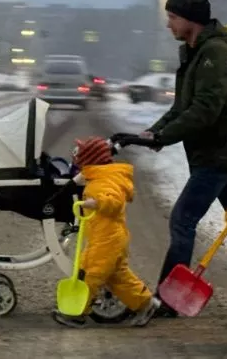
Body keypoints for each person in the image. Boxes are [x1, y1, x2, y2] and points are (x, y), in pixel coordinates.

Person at [138, 0, 227, 317]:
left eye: (172, 17)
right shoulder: (195, 51)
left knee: (183, 221)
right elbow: (181, 107)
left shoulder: (213, 53)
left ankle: (167, 299)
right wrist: (153, 132)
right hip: (218, 154)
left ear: (191, 20)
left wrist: (163, 137)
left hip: (217, 154)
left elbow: (204, 111)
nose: (168, 24)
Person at [52, 137, 161, 329]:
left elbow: (115, 201)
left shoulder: (105, 180)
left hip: (106, 240)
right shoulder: (101, 175)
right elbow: (81, 179)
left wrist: (97, 203)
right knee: (117, 277)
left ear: (90, 159)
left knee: (90, 274)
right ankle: (146, 303)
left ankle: (77, 313)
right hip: (107, 238)